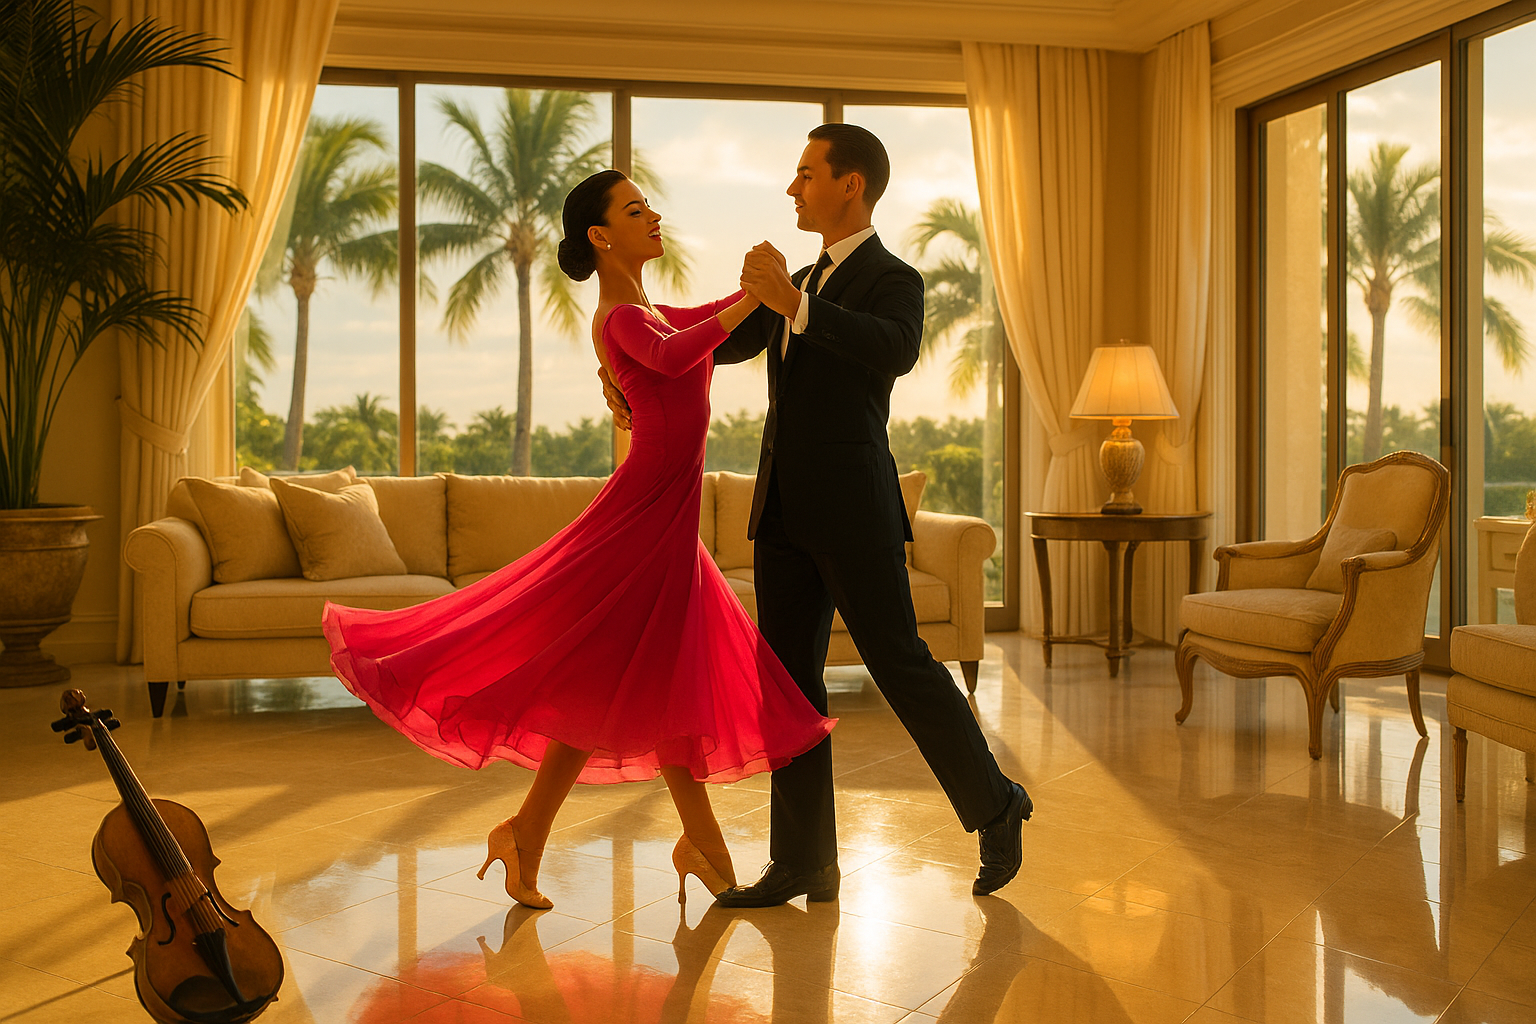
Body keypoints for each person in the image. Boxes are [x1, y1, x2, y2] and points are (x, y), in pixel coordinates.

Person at [323, 169, 835, 912]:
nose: (653, 215)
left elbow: (715, 320)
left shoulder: (654, 311)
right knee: (631, 670)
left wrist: (773, 286)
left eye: (650, 204)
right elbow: (675, 355)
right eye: (635, 209)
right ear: (600, 236)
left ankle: (545, 835)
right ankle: (670, 842)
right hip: (642, 511)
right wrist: (757, 297)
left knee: (632, 676)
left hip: (666, 515)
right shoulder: (622, 318)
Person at [603, 124, 1032, 908]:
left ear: (851, 184)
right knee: (788, 690)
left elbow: (893, 349)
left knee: (901, 666)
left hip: (856, 510)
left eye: (806, 174)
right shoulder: (796, 280)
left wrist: (796, 304)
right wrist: (621, 357)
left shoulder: (893, 279)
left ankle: (997, 804)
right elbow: (703, 345)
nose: (792, 189)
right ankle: (805, 862)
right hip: (783, 513)